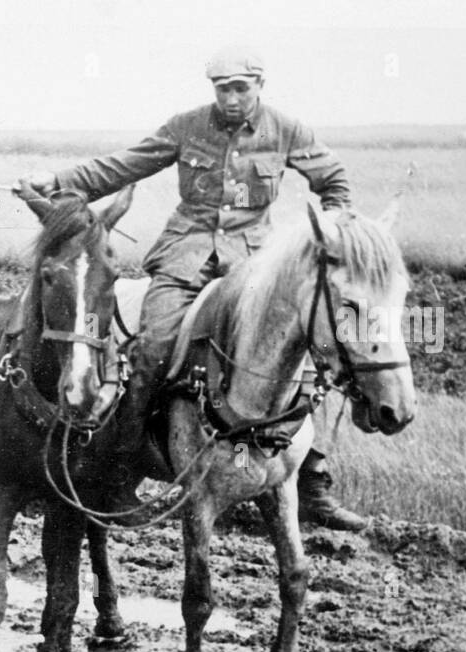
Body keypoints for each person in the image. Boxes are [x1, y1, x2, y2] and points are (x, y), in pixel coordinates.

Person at [20, 46, 366, 531]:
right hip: (185, 257)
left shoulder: (287, 130)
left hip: (253, 268)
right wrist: (56, 179)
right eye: (222, 88)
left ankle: (312, 482)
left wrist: (330, 228)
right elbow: (124, 166)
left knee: (314, 350)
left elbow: (335, 182)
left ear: (259, 86)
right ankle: (121, 469)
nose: (230, 97)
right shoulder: (186, 126)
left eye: (240, 87)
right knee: (153, 348)